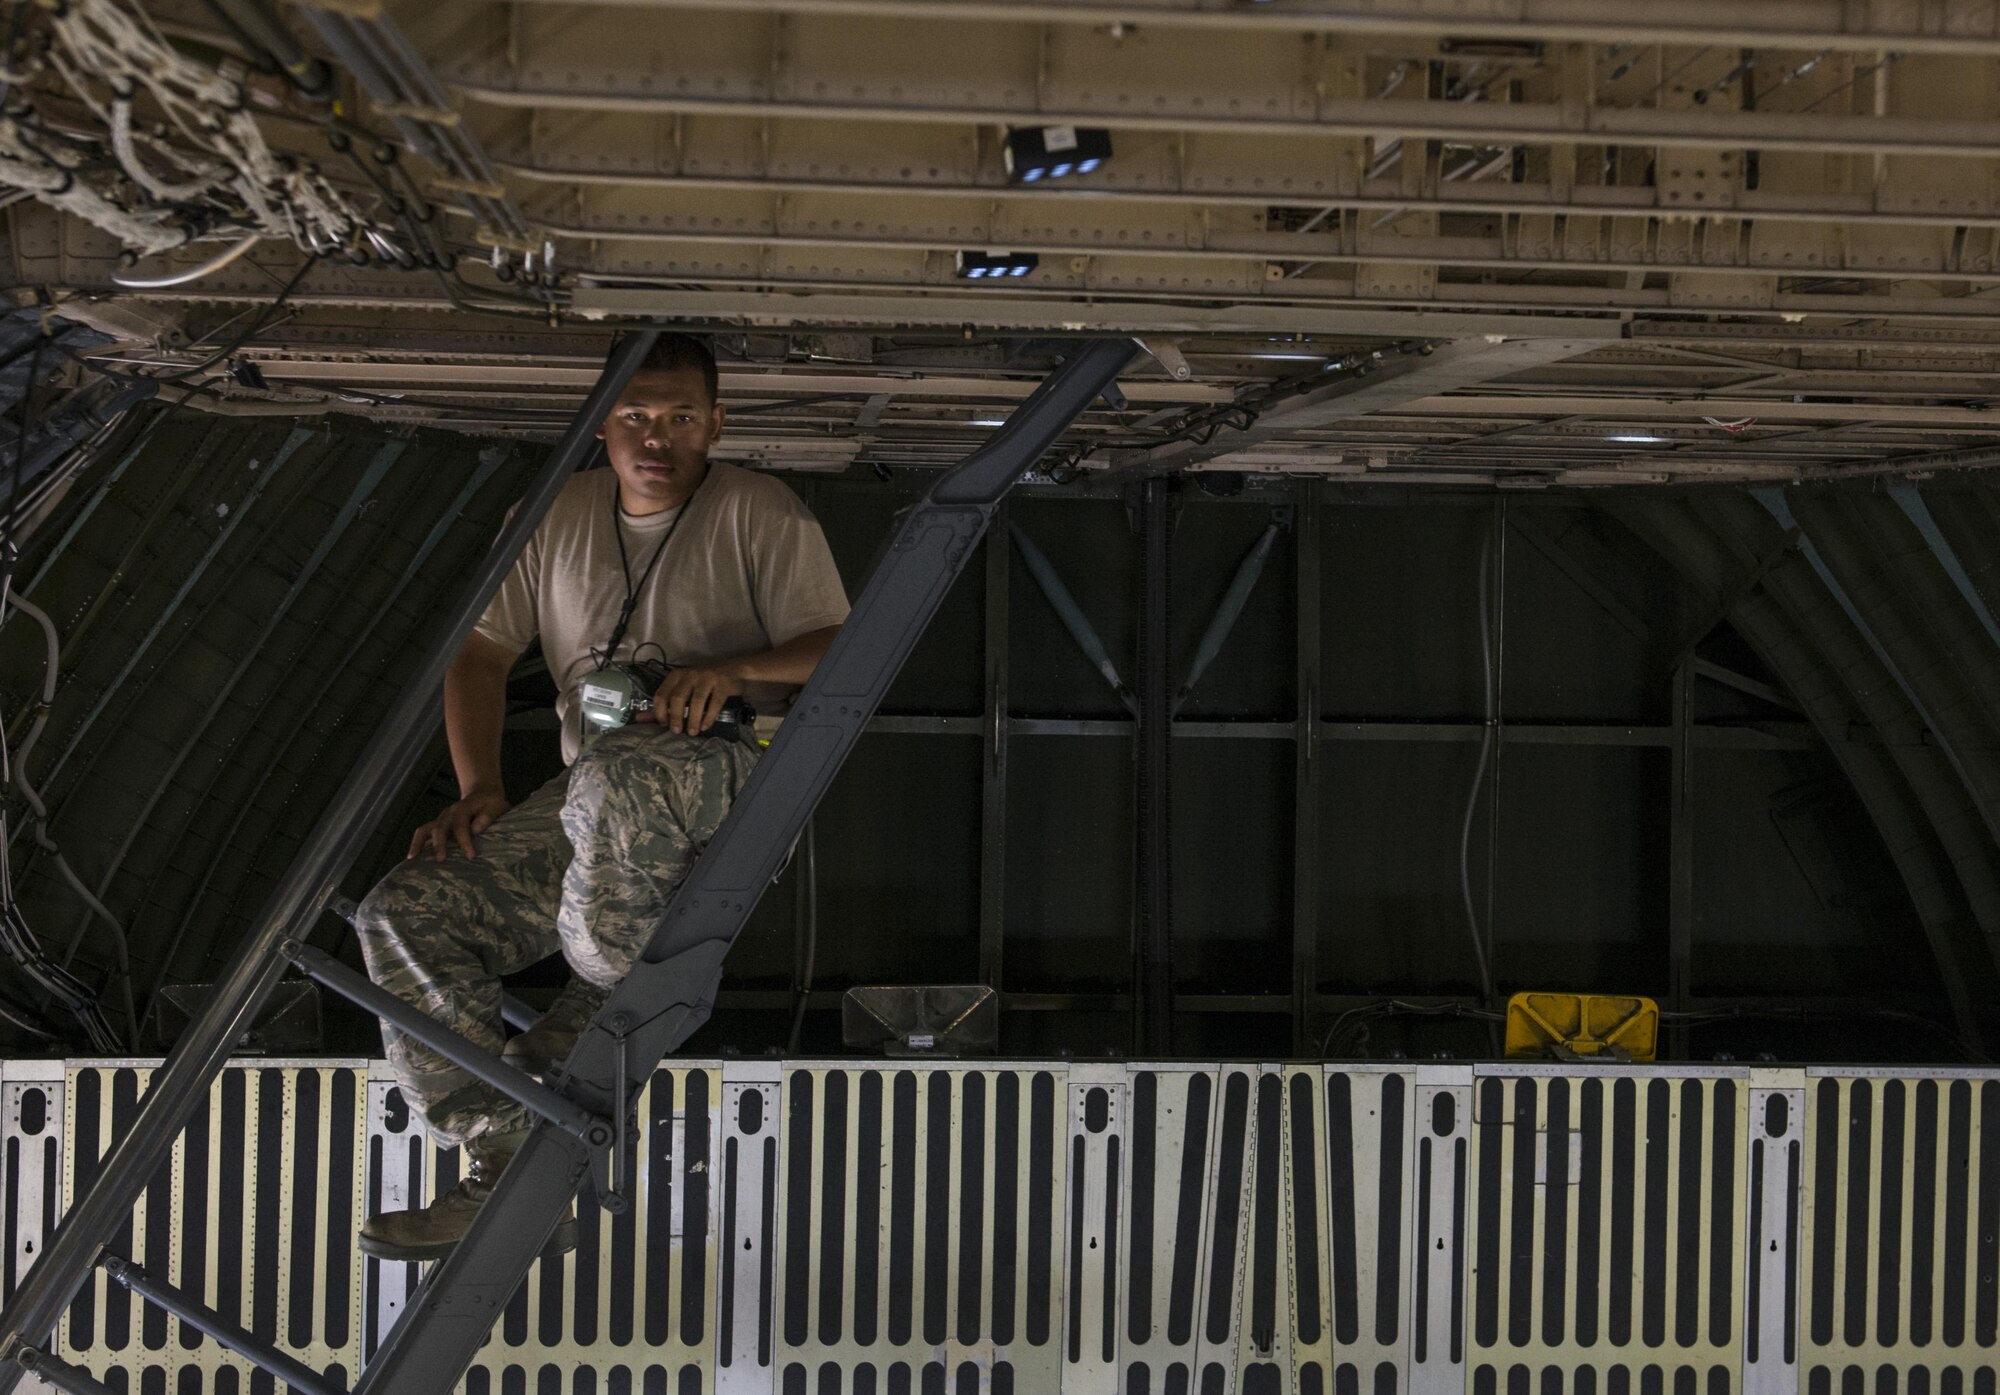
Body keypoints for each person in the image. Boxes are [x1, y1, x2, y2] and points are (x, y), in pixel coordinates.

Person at [352, 334, 849, 1260]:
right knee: (404, 908)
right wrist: (481, 786)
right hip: (592, 791)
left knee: (619, 772)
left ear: (715, 424)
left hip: (726, 773)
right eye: (634, 416)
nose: (655, 439)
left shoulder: (761, 511)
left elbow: (843, 647)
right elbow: (482, 652)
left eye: (680, 419)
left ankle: (590, 1013)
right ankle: (505, 1156)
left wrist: (734, 670)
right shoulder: (552, 515)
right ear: (601, 423)